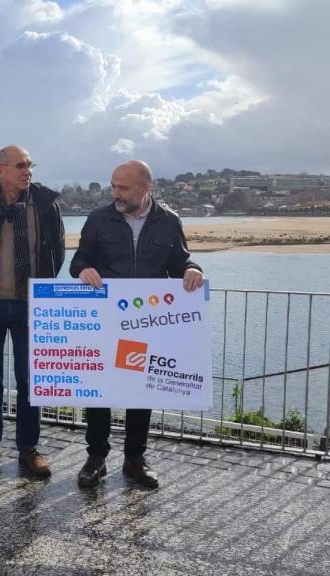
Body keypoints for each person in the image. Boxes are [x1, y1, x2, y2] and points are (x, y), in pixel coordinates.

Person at [70, 159, 205, 489]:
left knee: (140, 391)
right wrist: (82, 270)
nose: (115, 192)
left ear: (146, 187)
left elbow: (181, 261)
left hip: (146, 321)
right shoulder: (98, 218)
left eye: (123, 187)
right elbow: (79, 259)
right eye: (113, 185)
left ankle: (135, 460)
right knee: (99, 391)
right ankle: (96, 457)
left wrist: (193, 269)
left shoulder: (168, 221)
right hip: (105, 320)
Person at [0, 145, 65, 478]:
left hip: (29, 305)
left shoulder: (45, 204)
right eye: (21, 165)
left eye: (30, 164)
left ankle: (29, 449)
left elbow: (56, 253)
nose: (28, 170)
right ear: (1, 169)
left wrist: (39, 289)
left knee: (30, 381)